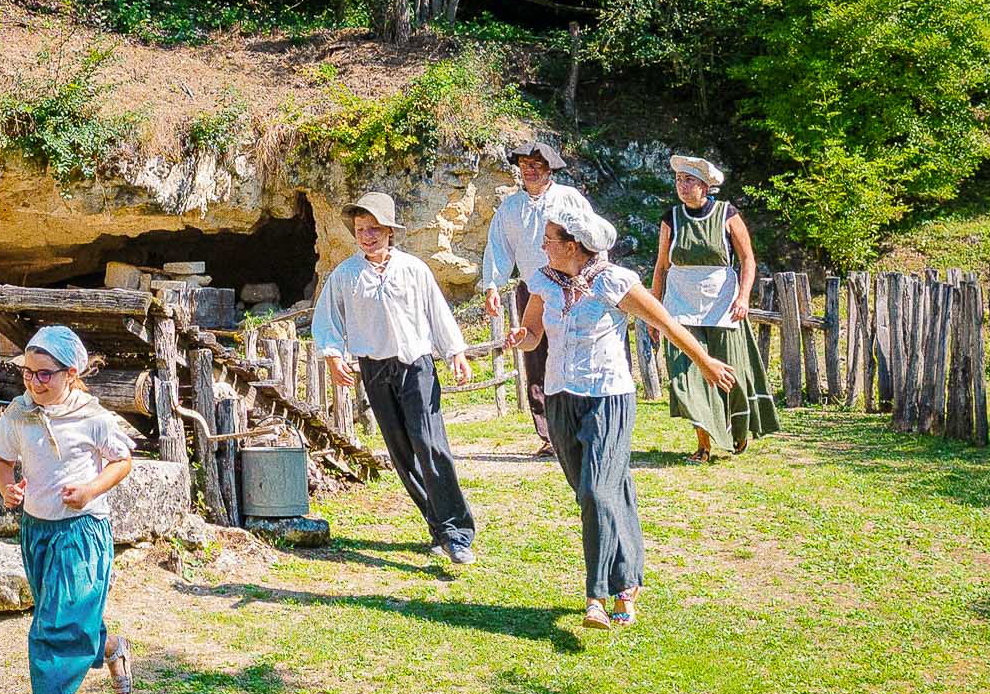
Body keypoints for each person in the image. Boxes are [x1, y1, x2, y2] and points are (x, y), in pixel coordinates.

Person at [501, 202, 736, 629]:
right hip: (560, 397)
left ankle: (597, 596)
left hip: (607, 397)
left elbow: (667, 324)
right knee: (599, 492)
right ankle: (628, 581)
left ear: (572, 246)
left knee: (597, 492)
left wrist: (704, 362)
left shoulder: (615, 281)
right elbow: (533, 334)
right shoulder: (543, 281)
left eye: (549, 239)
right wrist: (522, 337)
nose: (542, 245)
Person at [0, 325, 136, 694]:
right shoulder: (20, 413)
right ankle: (110, 646)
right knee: (66, 615)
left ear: (71, 374)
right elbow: (1, 459)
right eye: (28, 373)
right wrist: (7, 489)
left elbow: (122, 461)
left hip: (81, 533)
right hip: (37, 532)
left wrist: (89, 491)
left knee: (54, 624)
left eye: (44, 374)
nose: (34, 382)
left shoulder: (93, 416)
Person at [311, 189, 478, 564]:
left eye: (374, 228)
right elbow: (327, 319)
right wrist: (334, 356)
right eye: (360, 229)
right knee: (403, 454)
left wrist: (456, 352)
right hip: (375, 369)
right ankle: (439, 528)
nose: (366, 236)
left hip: (416, 366)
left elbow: (437, 312)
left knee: (430, 445)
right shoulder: (346, 275)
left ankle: (456, 533)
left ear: (390, 231)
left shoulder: (413, 269)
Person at [653, 154, 780, 463]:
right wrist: (654, 312)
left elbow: (747, 260)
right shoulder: (671, 218)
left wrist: (744, 297)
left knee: (729, 370)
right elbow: (661, 266)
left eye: (689, 180)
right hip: (680, 305)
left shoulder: (727, 214)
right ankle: (703, 444)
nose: (682, 186)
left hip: (722, 305)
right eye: (679, 180)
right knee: (686, 375)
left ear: (705, 186)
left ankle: (738, 432)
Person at [477, 137, 593, 454]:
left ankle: (581, 426)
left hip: (570, 285)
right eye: (524, 165)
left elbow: (592, 238)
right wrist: (492, 286)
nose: (529, 170)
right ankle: (549, 435)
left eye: (536, 165)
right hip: (531, 288)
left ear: (549, 169)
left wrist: (590, 277)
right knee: (536, 359)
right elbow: (498, 247)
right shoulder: (511, 207)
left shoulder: (568, 199)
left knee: (572, 353)